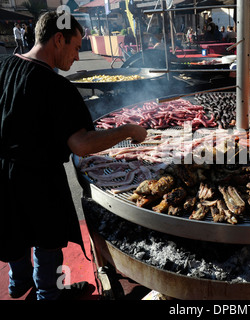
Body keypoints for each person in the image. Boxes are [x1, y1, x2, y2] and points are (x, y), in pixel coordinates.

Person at [0, 11, 147, 300]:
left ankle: (18, 284)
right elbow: (81, 144)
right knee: (46, 240)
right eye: (77, 47)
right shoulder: (56, 86)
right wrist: (128, 130)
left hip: (3, 173)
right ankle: (49, 293)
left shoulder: (5, 66)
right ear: (58, 39)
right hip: (38, 180)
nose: (78, 57)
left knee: (12, 229)